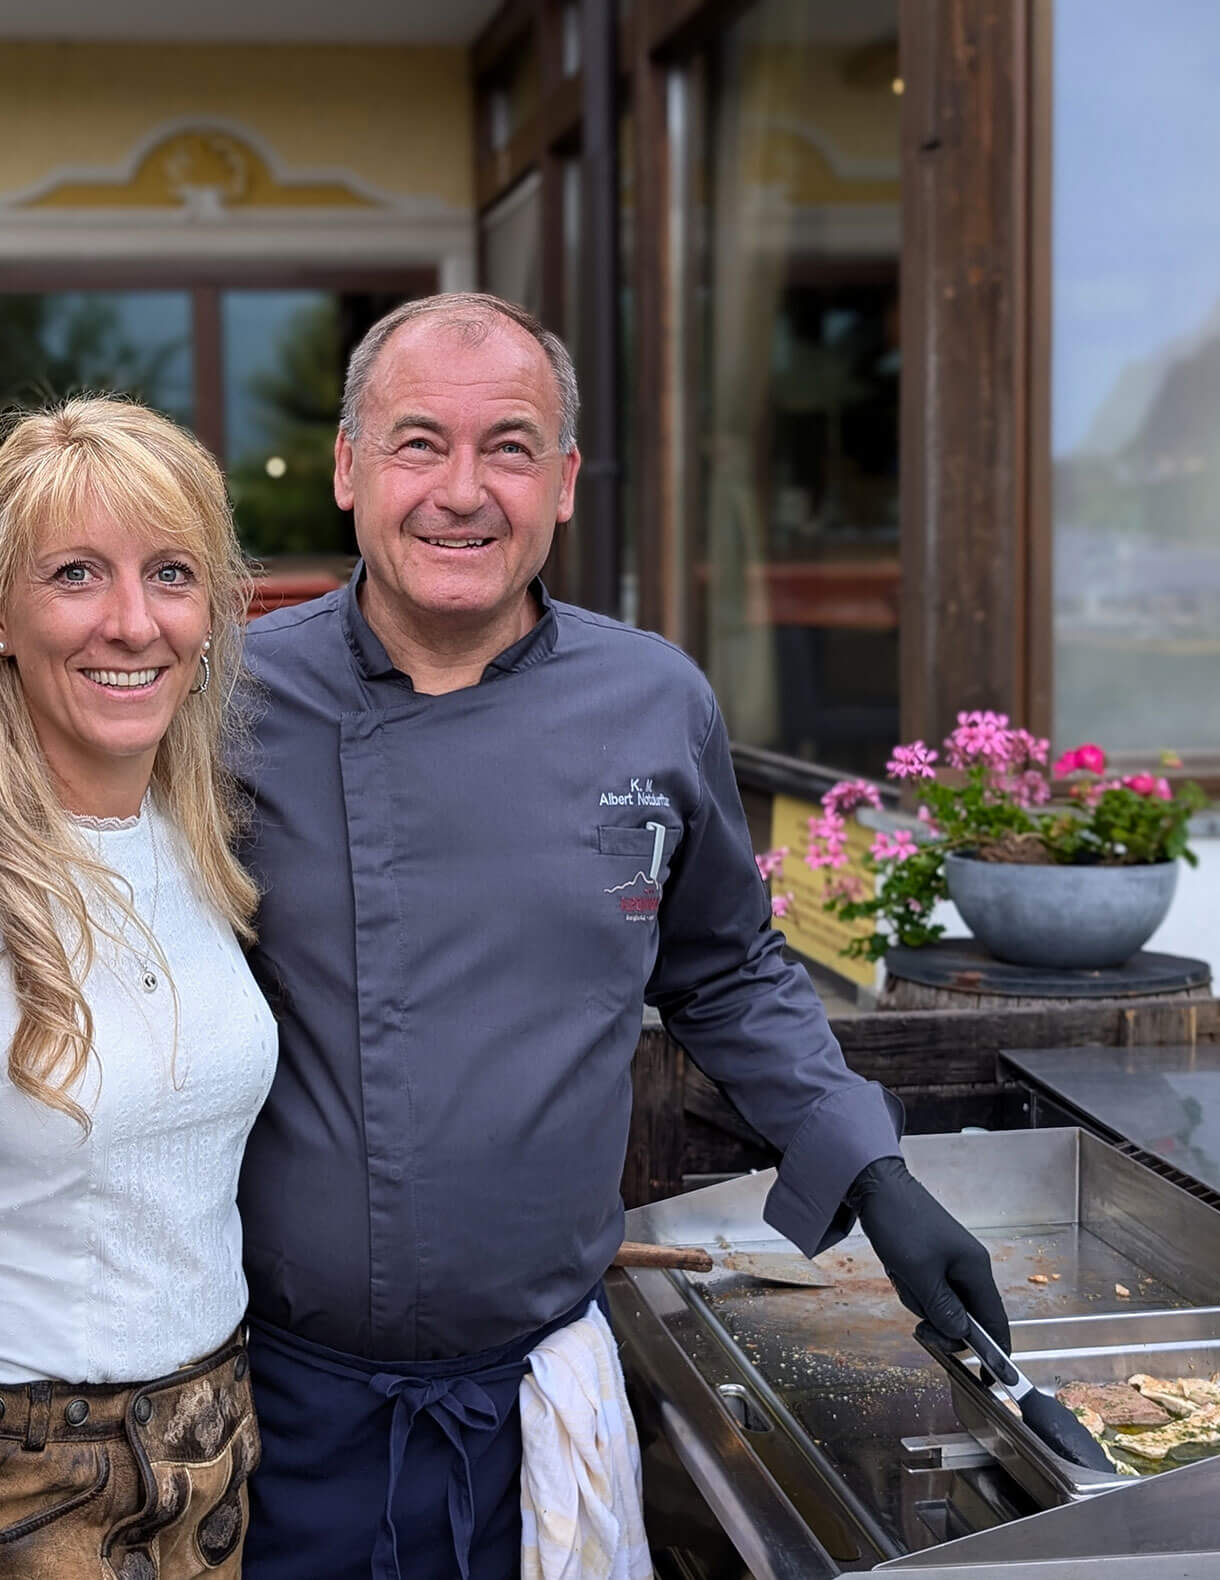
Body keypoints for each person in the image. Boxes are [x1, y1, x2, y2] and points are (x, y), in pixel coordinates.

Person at [233, 293, 1012, 1577]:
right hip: (277, 1413)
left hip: (541, 1402)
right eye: (419, 442)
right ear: (346, 467)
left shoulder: (652, 699)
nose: (463, 491)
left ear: (567, 481)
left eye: (512, 446)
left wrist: (876, 1175)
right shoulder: (233, 700)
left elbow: (729, 969)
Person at [0, 398, 277, 1580]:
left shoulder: (202, 842)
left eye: (171, 573)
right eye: (77, 573)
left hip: (217, 1451)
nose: (132, 622)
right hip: (11, 1479)